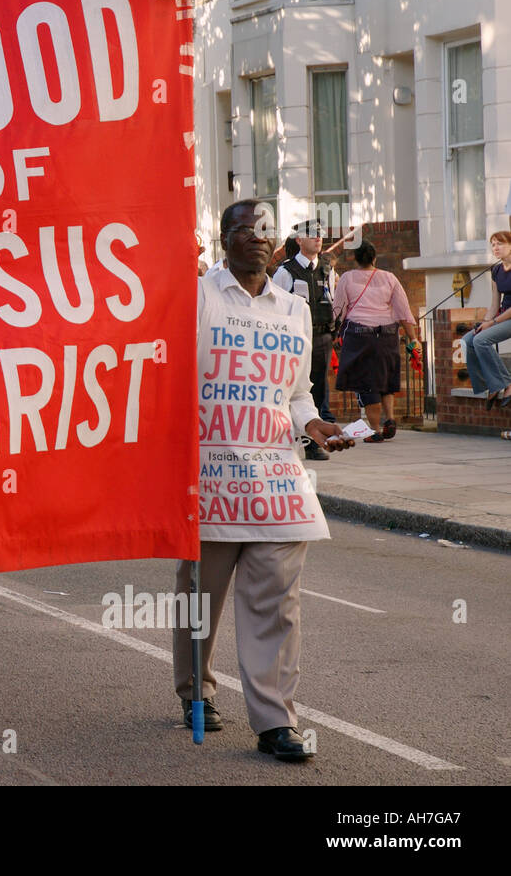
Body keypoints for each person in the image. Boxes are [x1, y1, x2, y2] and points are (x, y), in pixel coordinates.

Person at [175, 198, 352, 761]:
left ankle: (276, 722)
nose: (255, 237)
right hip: (209, 478)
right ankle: (197, 691)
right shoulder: (196, 297)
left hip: (277, 478)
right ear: (224, 237)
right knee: (199, 599)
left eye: (264, 230)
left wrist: (317, 424)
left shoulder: (294, 310)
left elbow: (296, 394)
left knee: (278, 603)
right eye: (243, 228)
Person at [332, 239, 420, 441]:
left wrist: (335, 332)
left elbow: (339, 309)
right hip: (388, 335)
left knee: (366, 383)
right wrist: (412, 338)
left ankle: (375, 430)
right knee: (385, 379)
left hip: (359, 336)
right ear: (374, 258)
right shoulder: (389, 278)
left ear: (355, 258)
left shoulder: (347, 278)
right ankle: (389, 418)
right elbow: (403, 311)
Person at [272, 220, 338, 452]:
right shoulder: (285, 271)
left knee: (319, 385)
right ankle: (298, 436)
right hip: (295, 336)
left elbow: (332, 300)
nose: (318, 238)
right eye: (311, 235)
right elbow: (276, 306)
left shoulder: (328, 268)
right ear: (299, 240)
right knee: (298, 386)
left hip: (321, 335)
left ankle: (315, 440)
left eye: (320, 234)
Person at [461, 232, 511, 409]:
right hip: (502, 316)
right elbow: (494, 303)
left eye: (500, 244)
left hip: (508, 317)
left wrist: (494, 323)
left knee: (481, 341)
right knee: (468, 339)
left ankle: (506, 383)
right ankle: (491, 385)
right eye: (493, 244)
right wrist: (485, 322)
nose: (496, 248)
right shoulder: (496, 270)